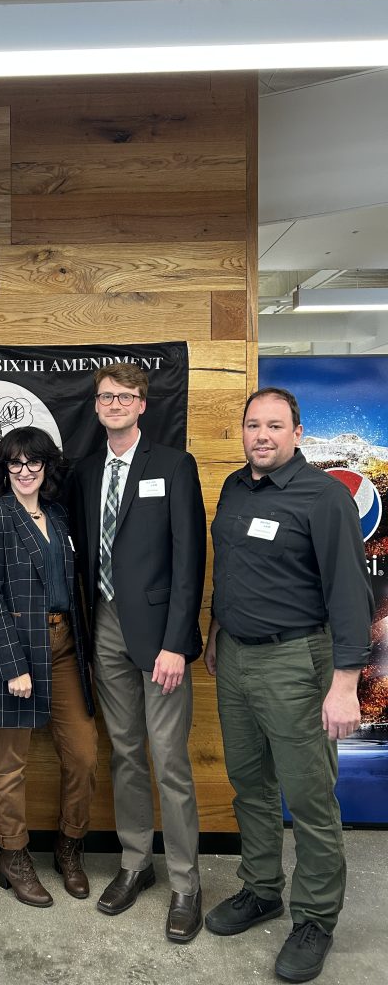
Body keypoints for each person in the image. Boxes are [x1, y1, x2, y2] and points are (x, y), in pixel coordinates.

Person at [204, 386, 373, 983]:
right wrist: (214, 633)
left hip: (297, 664)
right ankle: (261, 888)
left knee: (308, 798)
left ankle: (315, 920)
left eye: (276, 425)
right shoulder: (232, 488)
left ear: (298, 432)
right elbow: (232, 569)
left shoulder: (325, 499)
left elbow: (352, 596)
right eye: (254, 425)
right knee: (250, 784)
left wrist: (344, 684)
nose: (263, 436)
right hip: (235, 660)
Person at [70, 362, 206, 942]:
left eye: (127, 396)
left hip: (159, 637)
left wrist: (177, 641)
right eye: (107, 397)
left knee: (170, 760)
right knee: (125, 752)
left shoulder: (173, 465)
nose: (116, 404)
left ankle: (186, 882)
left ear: (143, 405)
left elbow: (190, 559)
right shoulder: (85, 469)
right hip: (104, 626)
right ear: (97, 406)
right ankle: (134, 864)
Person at [0, 427, 97, 908]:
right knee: (8, 765)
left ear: (47, 467)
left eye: (34, 463)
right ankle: (13, 855)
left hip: (65, 645)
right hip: (14, 650)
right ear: (4, 470)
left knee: (83, 754)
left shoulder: (60, 516)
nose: (24, 472)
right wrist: (11, 663)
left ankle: (70, 846)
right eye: (15, 464)